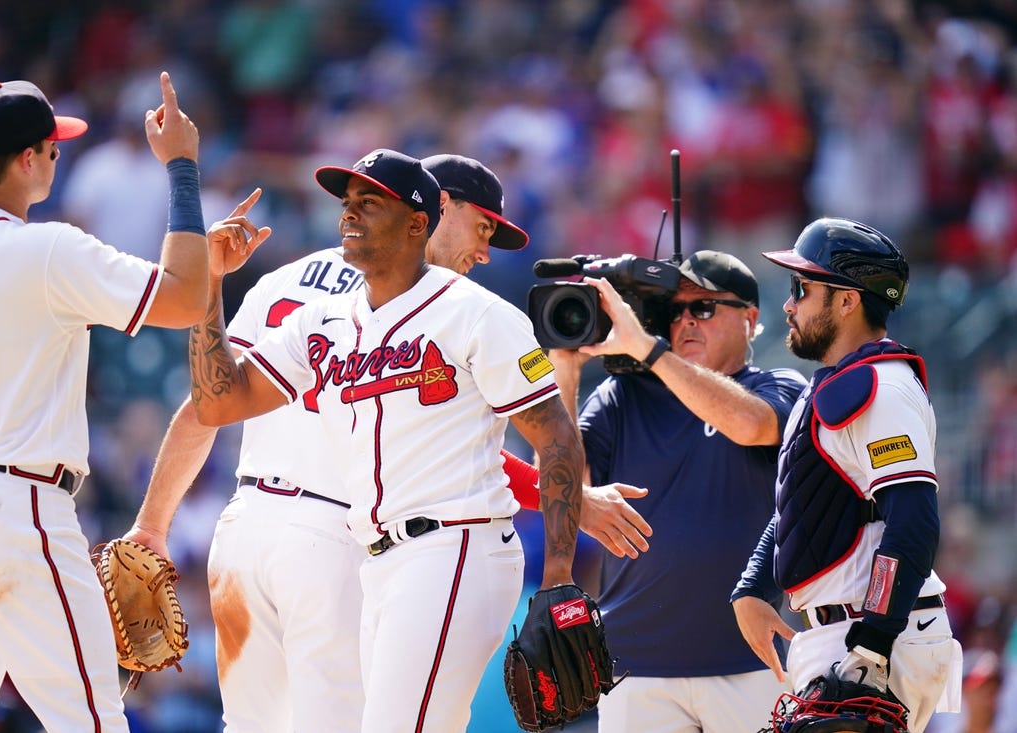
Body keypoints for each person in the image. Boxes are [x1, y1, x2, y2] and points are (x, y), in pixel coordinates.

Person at [124, 151, 651, 731]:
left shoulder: (466, 312)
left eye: (366, 204)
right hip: (354, 548)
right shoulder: (336, 315)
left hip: (435, 543)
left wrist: (558, 577)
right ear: (434, 212)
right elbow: (219, 401)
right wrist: (208, 283)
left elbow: (539, 436)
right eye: (482, 229)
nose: (483, 252)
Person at [0, 72, 208, 732]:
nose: (57, 155)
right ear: (27, 159)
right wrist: (184, 166)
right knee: (92, 719)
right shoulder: (46, 247)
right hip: (10, 508)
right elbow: (186, 296)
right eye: (52, 147)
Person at [547, 250, 807, 731]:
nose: (686, 321)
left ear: (750, 318)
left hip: (752, 659)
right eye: (674, 311)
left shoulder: (780, 385)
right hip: (634, 664)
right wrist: (565, 369)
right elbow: (566, 490)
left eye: (703, 308)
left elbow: (751, 425)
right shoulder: (622, 395)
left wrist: (648, 350)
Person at [731, 217, 963, 733]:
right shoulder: (833, 385)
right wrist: (752, 586)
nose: (789, 304)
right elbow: (802, 509)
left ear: (846, 301)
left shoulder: (881, 385)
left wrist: (874, 640)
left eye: (802, 288)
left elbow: (914, 523)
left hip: (872, 636)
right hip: (845, 634)